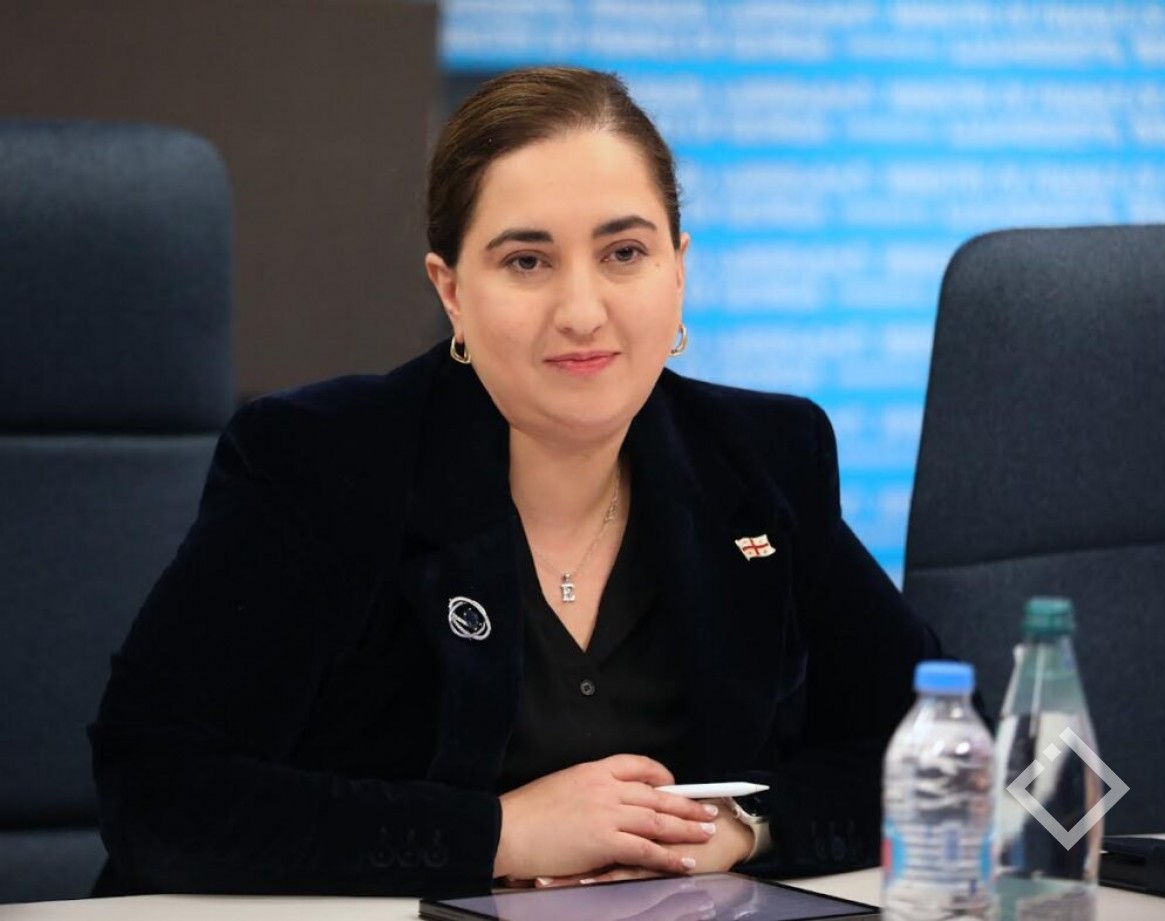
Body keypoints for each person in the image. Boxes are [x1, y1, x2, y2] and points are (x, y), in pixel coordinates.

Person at [90, 65, 941, 898]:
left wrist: (735, 828)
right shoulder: (320, 464)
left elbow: (935, 746)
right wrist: (498, 834)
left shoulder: (763, 459)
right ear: (452, 291)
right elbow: (156, 788)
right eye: (528, 261)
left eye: (624, 252)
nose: (582, 311)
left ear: (678, 271)